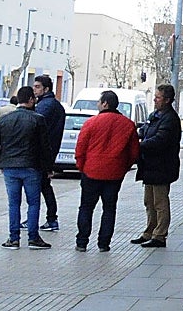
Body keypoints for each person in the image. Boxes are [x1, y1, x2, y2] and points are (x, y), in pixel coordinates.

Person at [73, 90, 140, 252]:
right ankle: (104, 243)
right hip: (114, 173)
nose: (97, 104)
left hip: (91, 171)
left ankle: (82, 242)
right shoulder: (128, 125)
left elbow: (80, 148)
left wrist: (82, 167)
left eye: (99, 101)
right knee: (109, 209)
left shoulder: (91, 123)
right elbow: (134, 152)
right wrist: (123, 167)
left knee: (86, 207)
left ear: (105, 104)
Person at [0, 85, 52, 249]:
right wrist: (47, 168)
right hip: (31, 166)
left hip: (10, 166)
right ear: (31, 100)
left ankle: (14, 238)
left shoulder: (5, 119)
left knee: (13, 203)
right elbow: (45, 147)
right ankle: (33, 238)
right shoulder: (38, 119)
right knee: (33, 203)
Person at [131, 84, 181, 248]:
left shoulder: (170, 119)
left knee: (160, 203)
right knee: (149, 202)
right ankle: (149, 231)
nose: (155, 100)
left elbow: (160, 140)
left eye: (158, 97)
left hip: (162, 167)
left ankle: (159, 235)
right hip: (149, 166)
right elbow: (144, 131)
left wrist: (139, 146)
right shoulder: (155, 115)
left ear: (167, 100)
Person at [31, 75, 65, 231]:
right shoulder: (55, 105)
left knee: (39, 187)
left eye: (37, 87)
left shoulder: (45, 106)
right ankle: (50, 218)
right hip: (49, 152)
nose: (34, 89)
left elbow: (34, 126)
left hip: (41, 153)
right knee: (44, 186)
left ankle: (48, 219)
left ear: (46, 89)